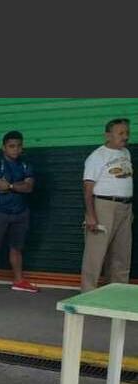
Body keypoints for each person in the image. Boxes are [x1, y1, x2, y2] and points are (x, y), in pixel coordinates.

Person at [0, 130, 38, 296]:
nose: (16, 149)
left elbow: (29, 187)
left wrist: (10, 186)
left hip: (21, 213)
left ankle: (18, 281)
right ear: (4, 147)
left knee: (16, 248)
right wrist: (19, 185)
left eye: (18, 146)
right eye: (11, 146)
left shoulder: (25, 165)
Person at [81, 118, 133, 292]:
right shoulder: (97, 156)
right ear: (108, 135)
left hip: (125, 207)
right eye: (121, 133)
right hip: (103, 206)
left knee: (121, 254)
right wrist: (90, 215)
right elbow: (88, 188)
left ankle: (117, 293)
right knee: (95, 254)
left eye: (127, 133)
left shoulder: (126, 153)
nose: (125, 136)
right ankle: (87, 294)